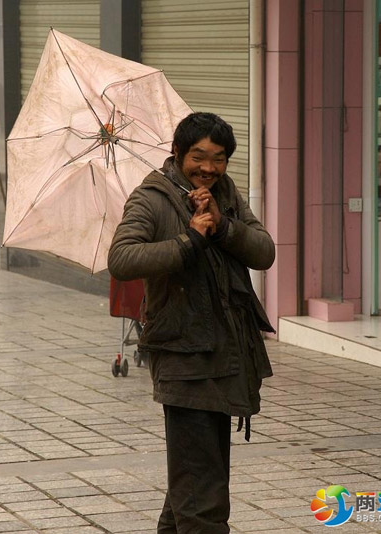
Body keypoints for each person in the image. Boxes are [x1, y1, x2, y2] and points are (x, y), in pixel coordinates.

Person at [108, 112, 275, 534]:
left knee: (193, 485)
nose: (208, 168)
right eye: (198, 157)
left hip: (227, 358)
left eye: (218, 159)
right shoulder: (151, 199)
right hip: (185, 360)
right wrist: (189, 240)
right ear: (177, 152)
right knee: (203, 501)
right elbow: (122, 258)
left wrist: (221, 226)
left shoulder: (227, 194)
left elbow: (264, 251)